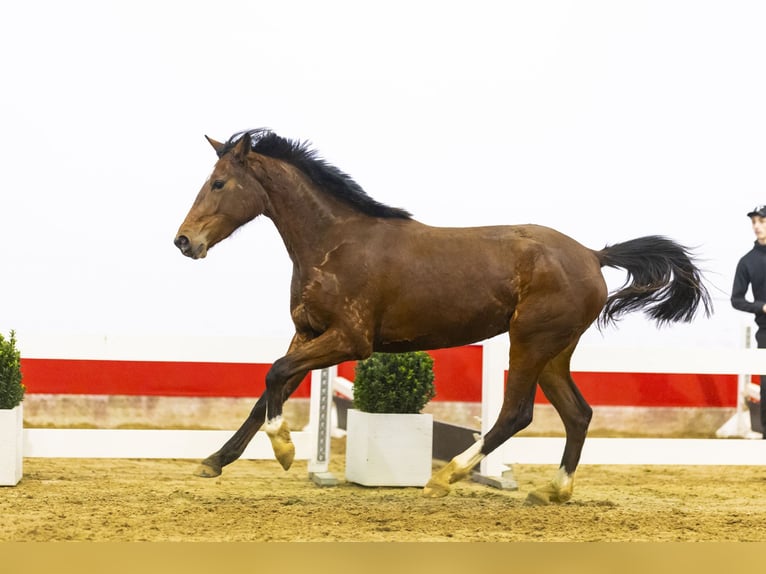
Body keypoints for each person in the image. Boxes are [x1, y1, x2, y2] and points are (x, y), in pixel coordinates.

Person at [731, 205, 766, 436]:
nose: (756, 226)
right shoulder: (747, 261)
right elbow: (736, 299)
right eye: (754, 222)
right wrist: (761, 307)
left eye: (761, 221)